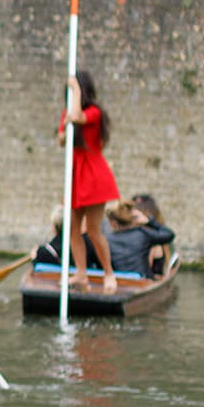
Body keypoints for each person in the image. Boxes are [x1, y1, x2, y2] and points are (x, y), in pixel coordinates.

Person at [60, 71, 120, 293]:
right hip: (75, 175)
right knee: (73, 229)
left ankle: (109, 274)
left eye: (74, 91)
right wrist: (64, 132)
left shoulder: (94, 112)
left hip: (93, 175)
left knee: (93, 230)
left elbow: (77, 117)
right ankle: (81, 274)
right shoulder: (66, 112)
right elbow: (61, 138)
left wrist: (75, 89)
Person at [106, 195, 174, 277]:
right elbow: (169, 234)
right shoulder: (143, 233)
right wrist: (149, 221)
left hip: (120, 280)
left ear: (114, 222)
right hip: (142, 280)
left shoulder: (107, 238)